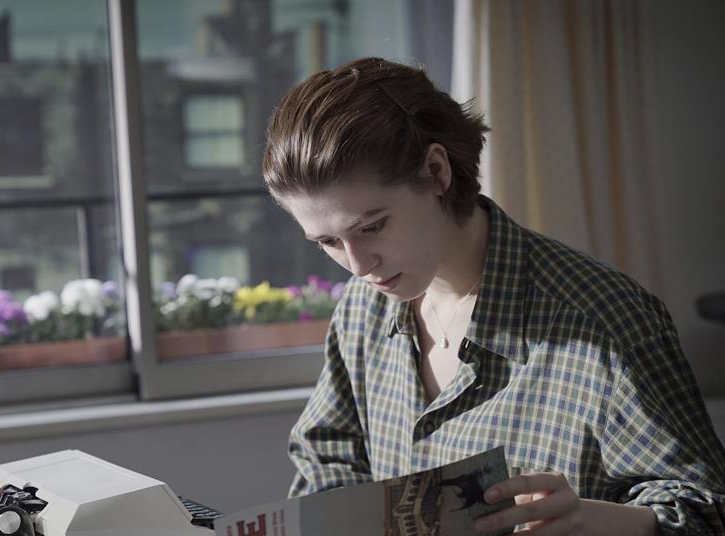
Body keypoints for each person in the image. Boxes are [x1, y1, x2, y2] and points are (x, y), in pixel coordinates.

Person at [262, 57, 725, 535]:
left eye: (373, 227)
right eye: (329, 242)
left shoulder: (604, 322)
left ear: (436, 172)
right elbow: (328, 463)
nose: (358, 265)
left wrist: (594, 521)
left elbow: (708, 512)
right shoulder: (363, 312)